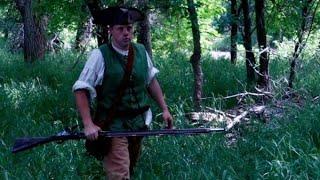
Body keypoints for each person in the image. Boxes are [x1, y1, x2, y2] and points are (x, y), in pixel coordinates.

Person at [72, 7, 173, 179]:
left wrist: (164, 109)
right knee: (120, 175)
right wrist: (88, 124)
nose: (126, 33)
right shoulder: (100, 55)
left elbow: (151, 80)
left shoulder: (141, 51)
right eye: (120, 28)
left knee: (129, 169)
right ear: (111, 30)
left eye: (129, 28)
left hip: (139, 123)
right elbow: (81, 89)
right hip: (113, 127)